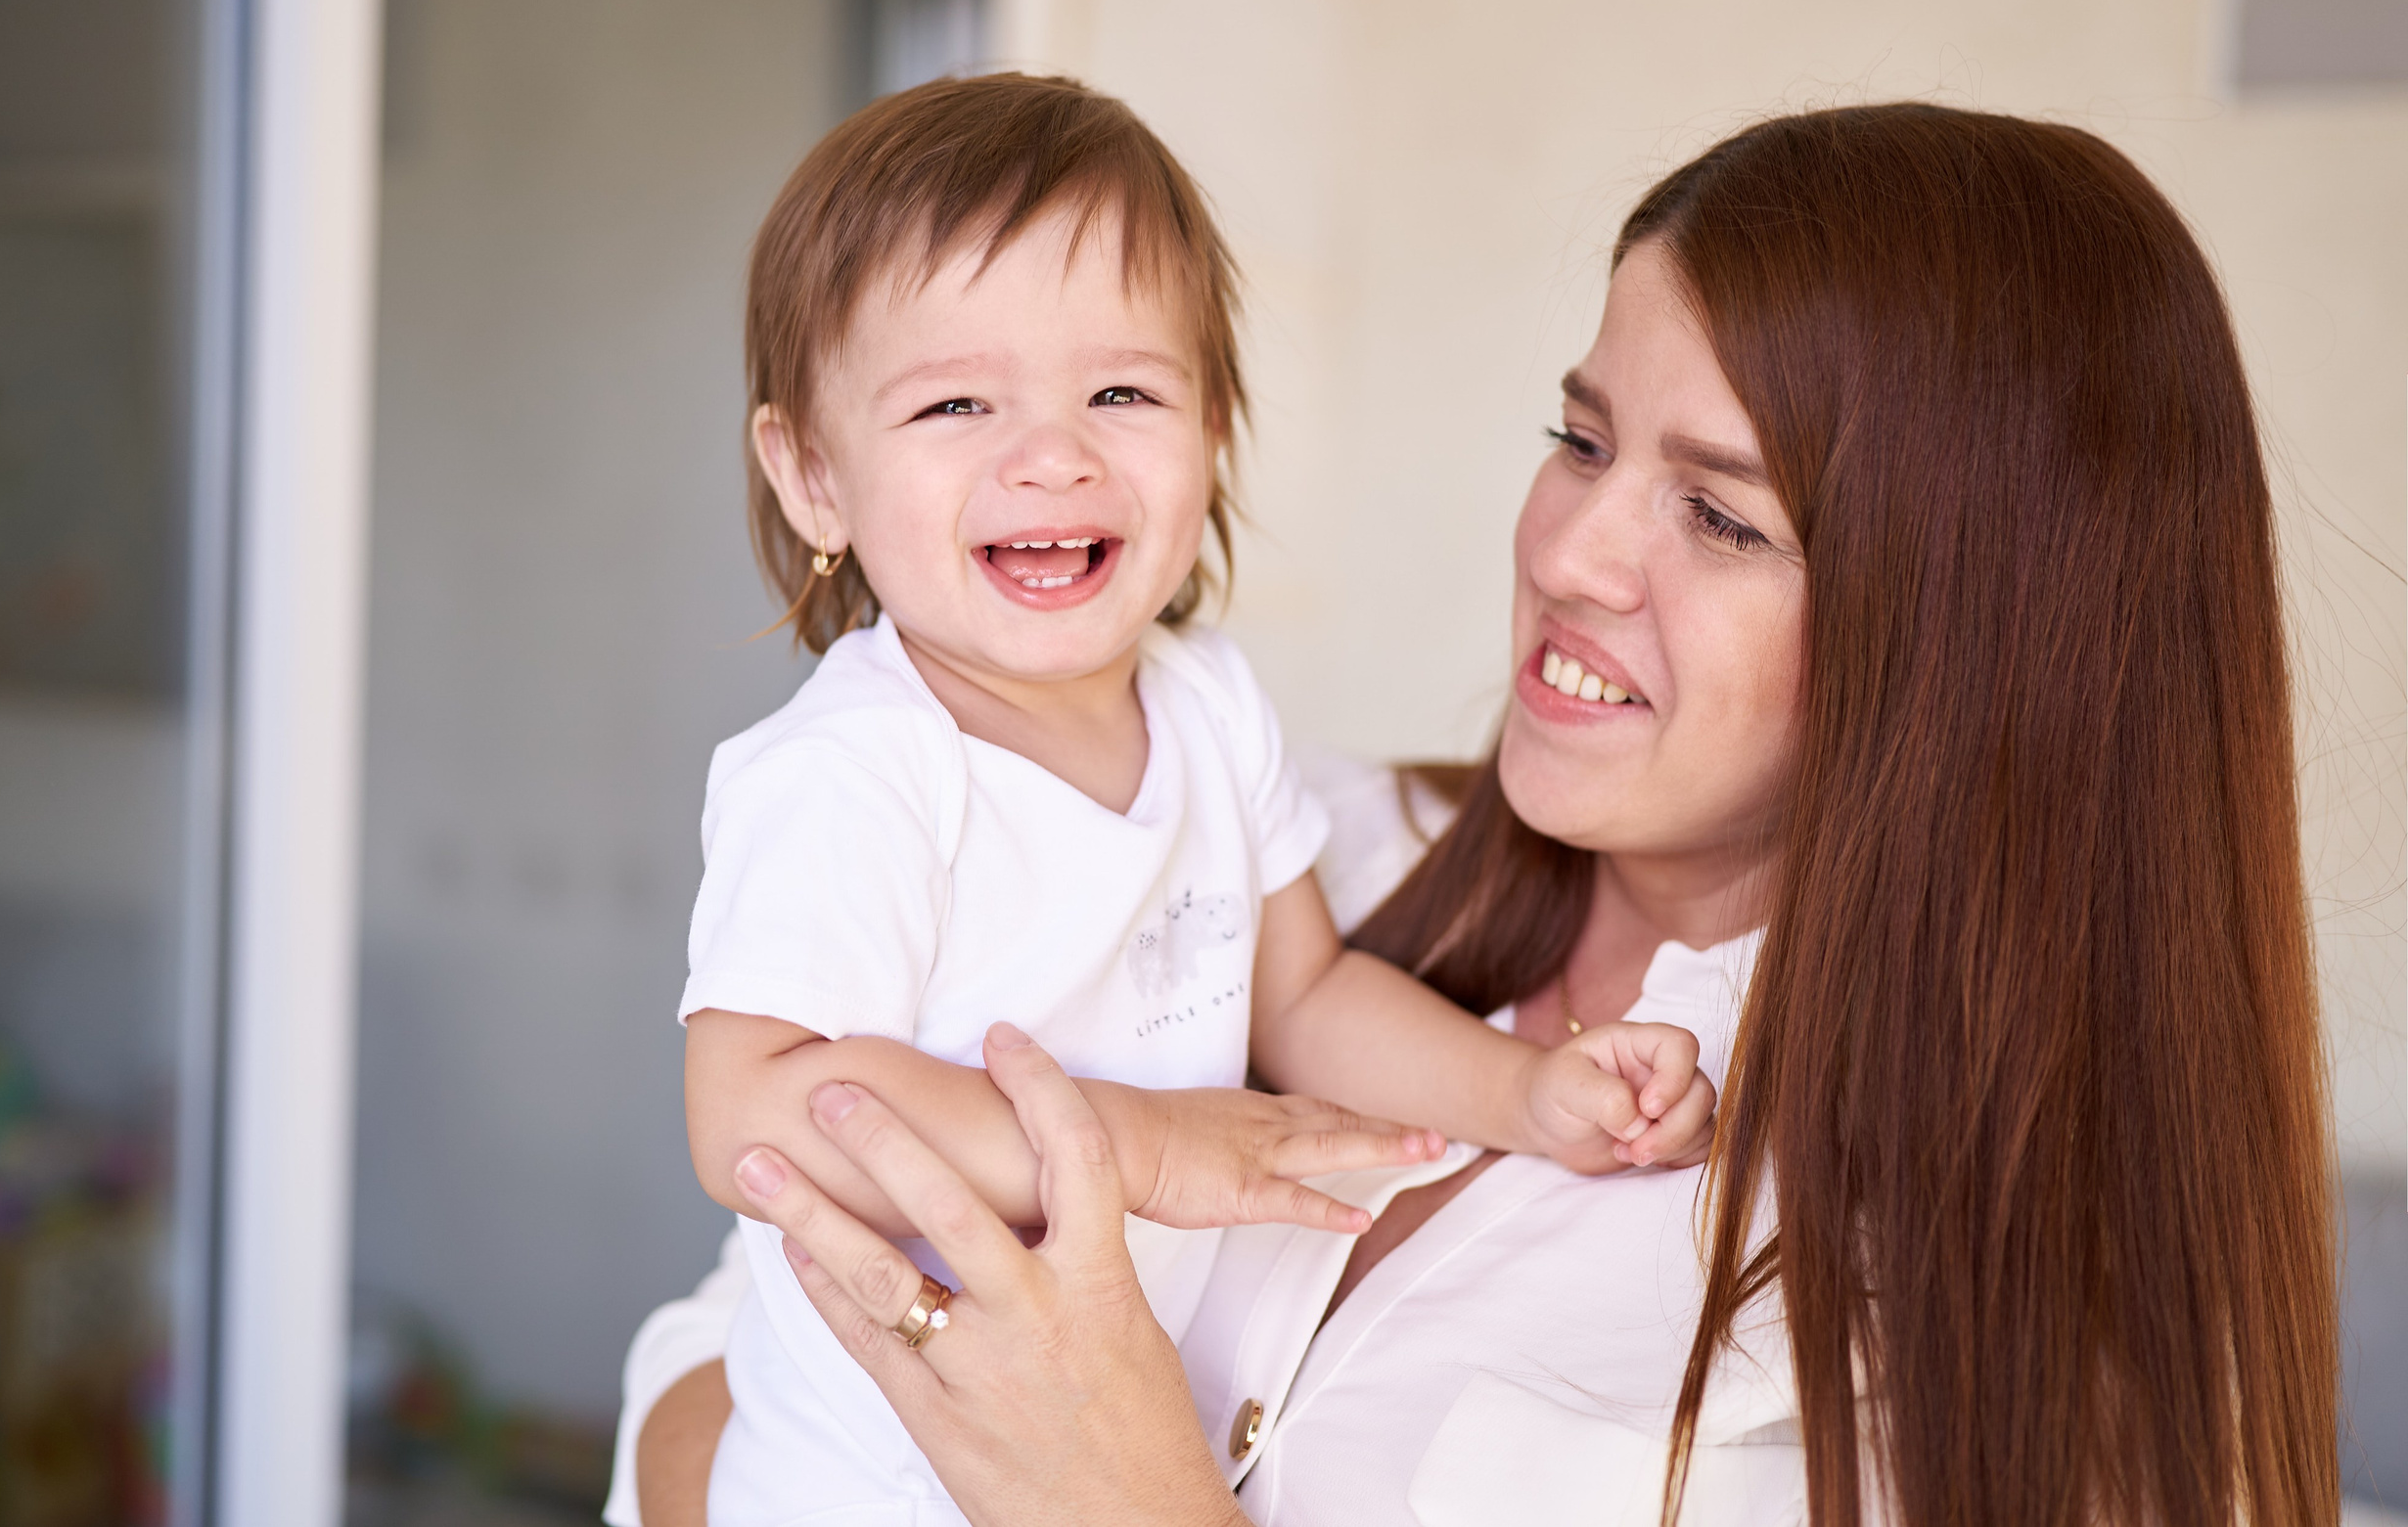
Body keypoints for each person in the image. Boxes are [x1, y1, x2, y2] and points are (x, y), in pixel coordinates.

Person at [629, 102, 2340, 1526]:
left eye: (1723, 519)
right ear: (812, 472)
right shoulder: (1321, 826)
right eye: (1578, 440)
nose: (1569, 553)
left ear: (1979, 629)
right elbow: (715, 1330)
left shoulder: (1963, 1302)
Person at [679, 73, 1716, 1527]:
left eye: (1121, 391)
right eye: (956, 402)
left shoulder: (1209, 705)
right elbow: (748, 1111)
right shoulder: (854, 770)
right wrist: (1144, 1146)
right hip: (860, 1483)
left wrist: (1524, 1097)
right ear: (812, 478)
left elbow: (1304, 994)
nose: (1053, 453)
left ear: (1214, 425)